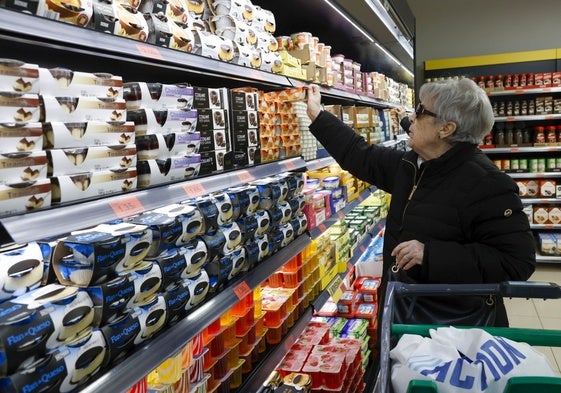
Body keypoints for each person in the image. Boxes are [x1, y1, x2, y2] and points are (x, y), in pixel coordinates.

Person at [306, 78, 536, 327]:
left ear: (446, 129)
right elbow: (362, 156)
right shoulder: (412, 165)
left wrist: (431, 254)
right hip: (404, 312)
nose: (411, 117)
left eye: (420, 111)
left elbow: (517, 263)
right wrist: (317, 115)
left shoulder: (487, 183)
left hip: (453, 329)